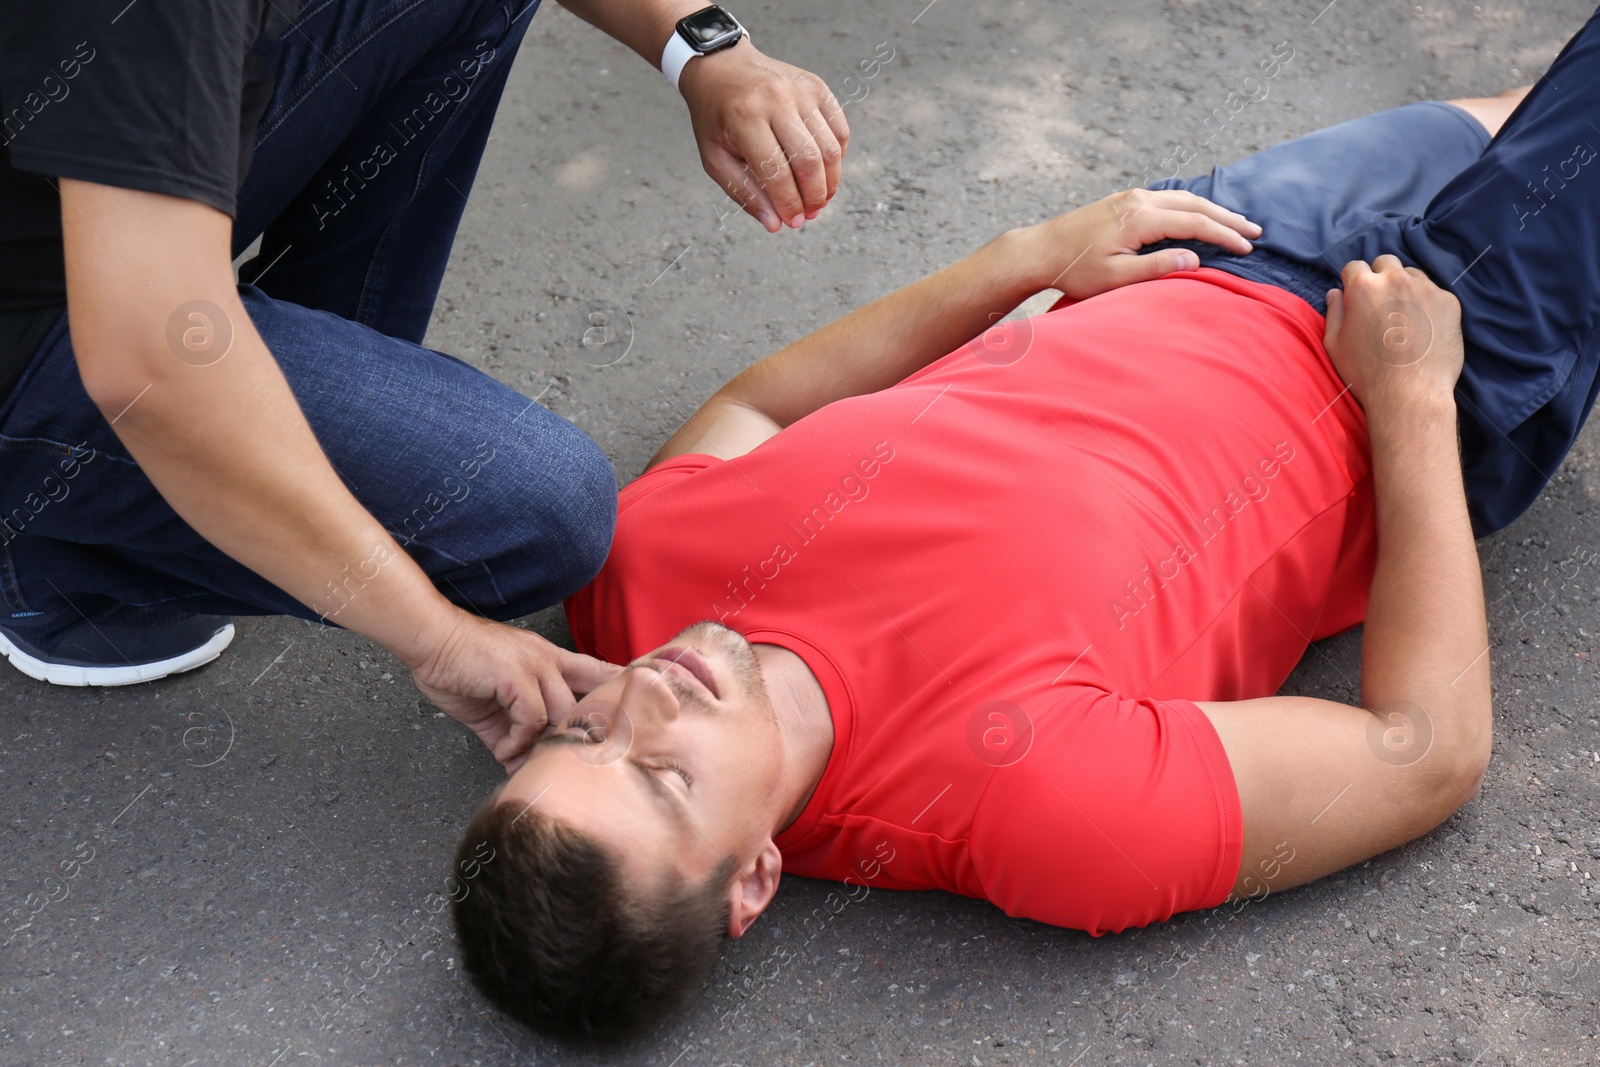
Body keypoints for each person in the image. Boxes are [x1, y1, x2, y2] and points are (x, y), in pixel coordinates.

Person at [450, 10, 1600, 1045]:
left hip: (1203, 246)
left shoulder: (630, 585)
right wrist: (1406, 399)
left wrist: (1031, 256)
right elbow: (1422, 751)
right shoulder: (1034, 809)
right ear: (749, 880)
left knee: (1509, 115)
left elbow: (750, 407)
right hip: (1418, 343)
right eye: (660, 779)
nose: (642, 697)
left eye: (580, 737)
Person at [0, 2, 847, 768]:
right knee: (540, 513)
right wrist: (439, 641)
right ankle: (60, 571)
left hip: (74, 196)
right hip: (49, 314)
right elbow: (151, 354)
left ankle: (275, 423)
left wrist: (704, 49)